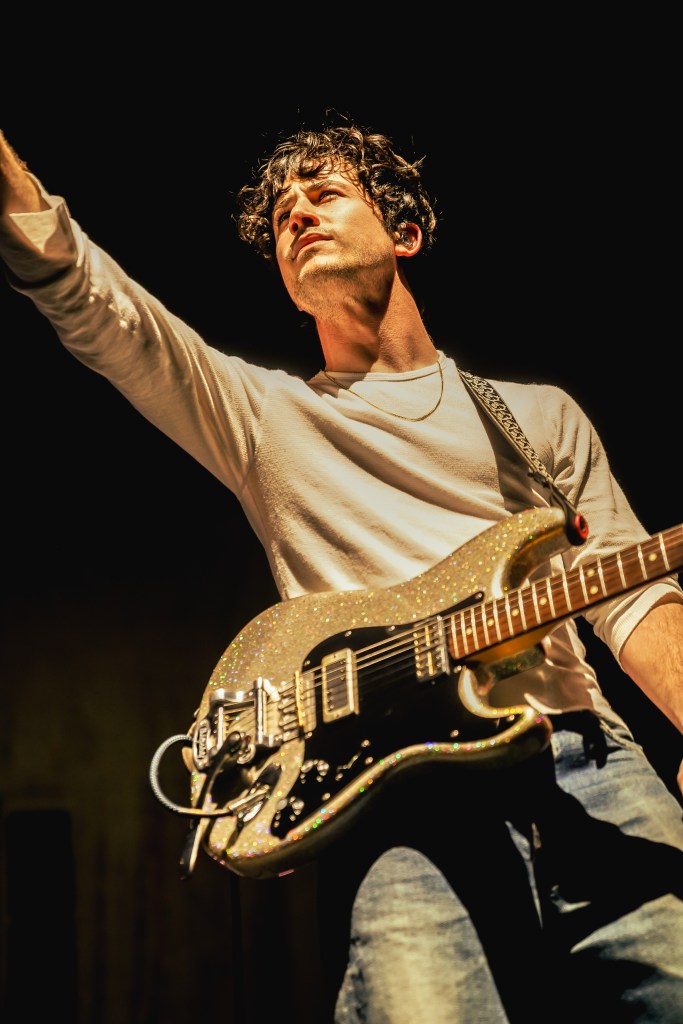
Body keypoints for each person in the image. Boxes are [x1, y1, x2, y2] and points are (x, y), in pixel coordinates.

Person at [1, 120, 682, 1023]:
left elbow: (631, 596)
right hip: (398, 795)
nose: (296, 214)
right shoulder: (266, 417)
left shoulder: (536, 415)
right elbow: (95, 302)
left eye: (323, 193)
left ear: (405, 234)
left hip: (582, 757)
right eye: (282, 213)